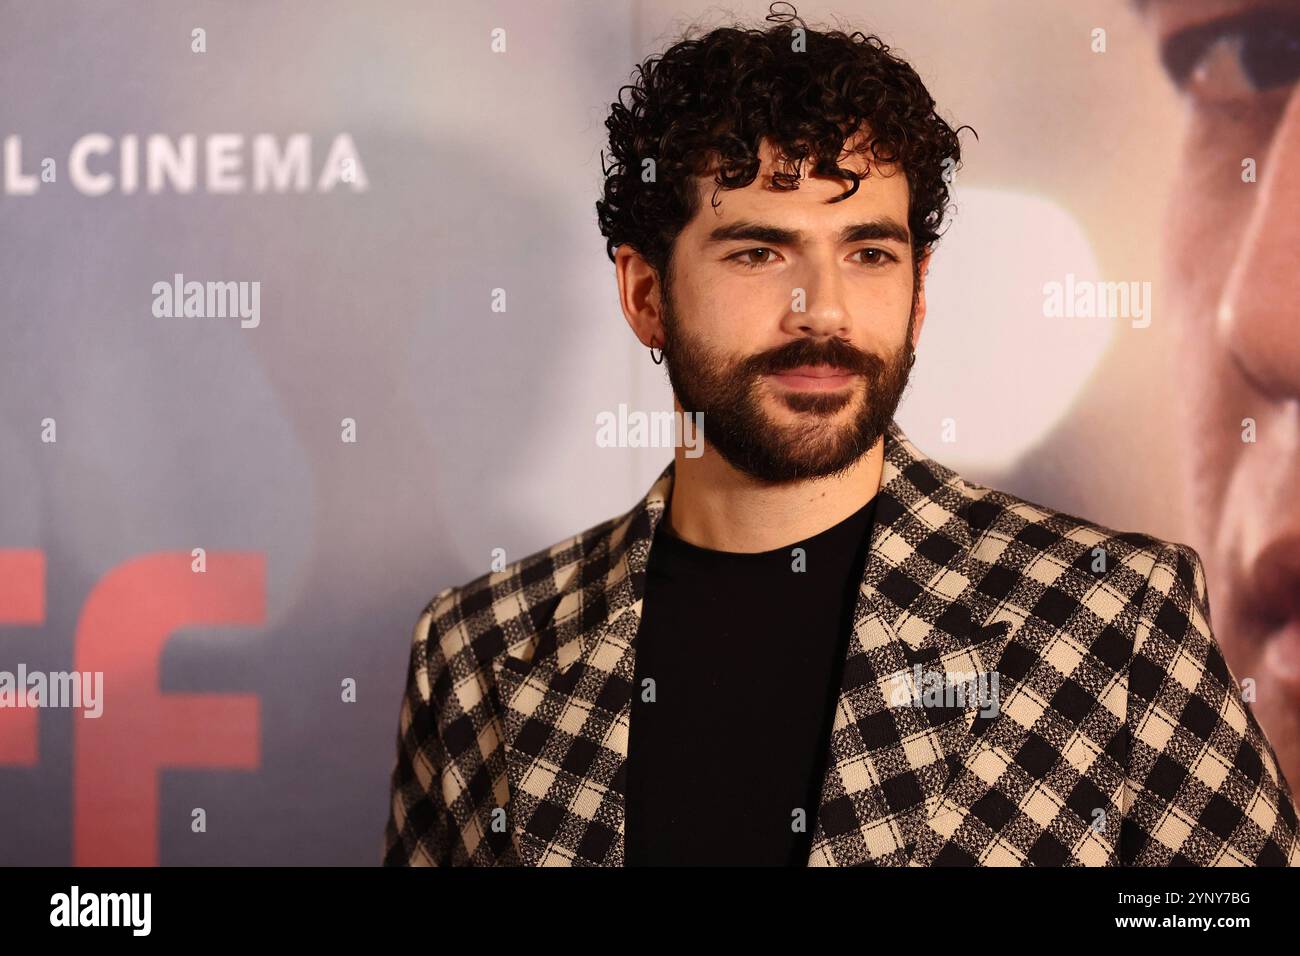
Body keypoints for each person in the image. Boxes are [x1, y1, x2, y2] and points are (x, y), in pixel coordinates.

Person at [384, 2, 1298, 866]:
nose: (821, 311)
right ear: (645, 295)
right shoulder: (475, 653)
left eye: (868, 255)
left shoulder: (1108, 618)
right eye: (758, 252)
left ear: (920, 293)